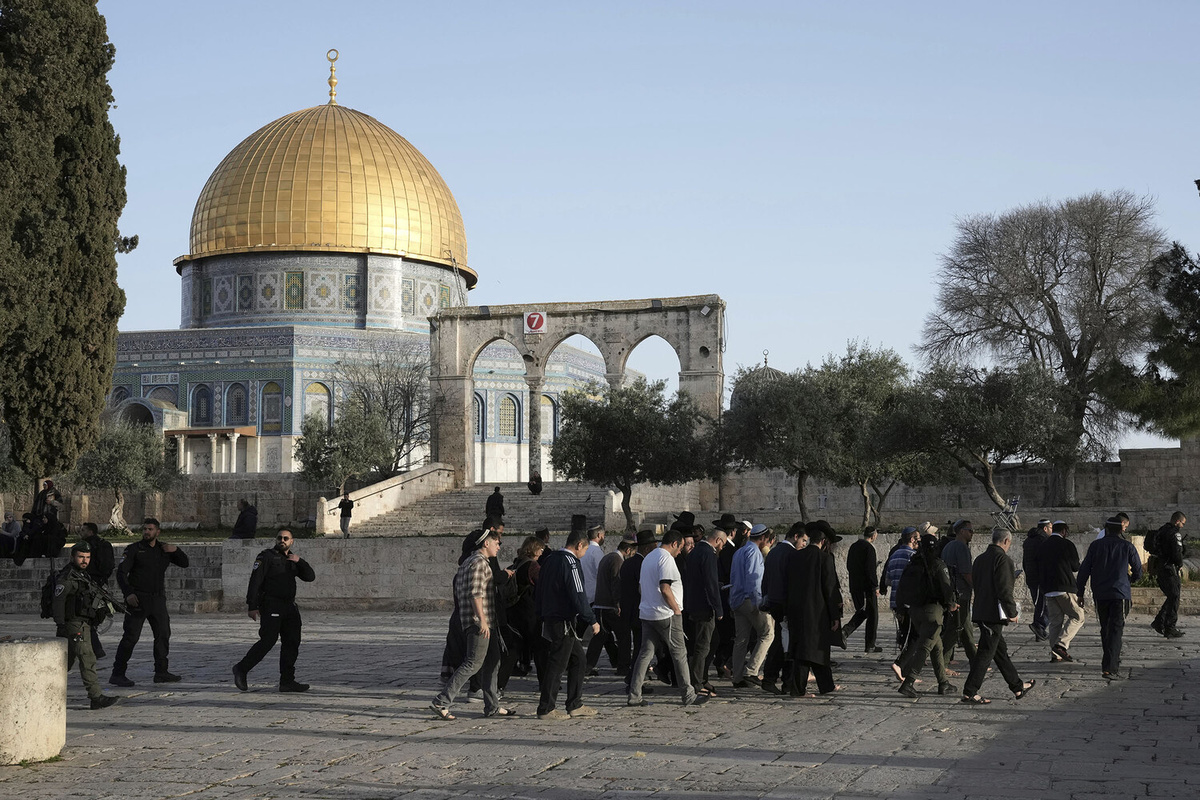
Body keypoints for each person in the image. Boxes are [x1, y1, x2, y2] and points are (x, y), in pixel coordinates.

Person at [432, 529, 512, 720]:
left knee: (493, 661)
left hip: (486, 623)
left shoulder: (470, 562)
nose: (498, 547)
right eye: (496, 543)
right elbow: (475, 594)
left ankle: (492, 705)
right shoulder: (478, 563)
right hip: (479, 623)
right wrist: (482, 620)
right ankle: (442, 701)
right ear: (486, 543)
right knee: (472, 663)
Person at [628, 529, 706, 708]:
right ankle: (688, 695)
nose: (680, 552)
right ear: (674, 543)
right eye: (680, 547)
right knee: (679, 653)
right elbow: (665, 588)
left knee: (645, 654)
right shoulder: (666, 559)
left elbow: (641, 587)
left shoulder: (648, 558)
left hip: (647, 613)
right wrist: (676, 609)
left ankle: (634, 695)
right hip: (666, 614)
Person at [232, 529, 316, 692]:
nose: (282, 540)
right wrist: (252, 606)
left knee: (292, 642)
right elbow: (255, 581)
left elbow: (310, 577)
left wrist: (300, 561)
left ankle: (287, 681)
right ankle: (241, 668)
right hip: (271, 605)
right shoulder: (266, 557)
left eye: (286, 538)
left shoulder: (293, 559)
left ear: (291, 541)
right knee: (268, 640)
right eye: (279, 538)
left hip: (289, 607)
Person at [110, 518, 189, 687]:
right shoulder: (134, 549)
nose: (147, 532)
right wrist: (128, 593)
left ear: (157, 532)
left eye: (150, 529)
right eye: (145, 529)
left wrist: (176, 550)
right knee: (131, 637)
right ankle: (118, 673)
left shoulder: (164, 549)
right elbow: (121, 573)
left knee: (163, 634)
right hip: (138, 599)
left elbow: (185, 563)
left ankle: (161, 672)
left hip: (157, 599)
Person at [961, 528, 1036, 704]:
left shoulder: (980, 559)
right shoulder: (1003, 559)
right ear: (1006, 541)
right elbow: (1004, 589)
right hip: (992, 614)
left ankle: (1017, 686)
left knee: (999, 651)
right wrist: (1012, 612)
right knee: (985, 653)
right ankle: (970, 691)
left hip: (981, 610)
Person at [534, 528, 598, 720]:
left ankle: (575, 703)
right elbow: (578, 593)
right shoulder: (570, 562)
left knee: (579, 659)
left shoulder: (550, 559)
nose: (584, 553)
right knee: (558, 663)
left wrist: (541, 613)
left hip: (551, 616)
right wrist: (591, 619)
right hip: (562, 619)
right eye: (585, 549)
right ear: (579, 545)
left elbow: (540, 588)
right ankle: (546, 708)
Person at [53, 541, 120, 709]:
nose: (84, 560)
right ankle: (96, 697)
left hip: (83, 623)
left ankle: (43, 689)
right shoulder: (67, 577)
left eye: (87, 557)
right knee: (87, 658)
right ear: (72, 557)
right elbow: (58, 601)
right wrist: (61, 624)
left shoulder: (83, 575)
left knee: (65, 662)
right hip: (74, 624)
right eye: (81, 557)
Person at [1077, 516, 1144, 680]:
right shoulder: (1127, 546)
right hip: (1120, 594)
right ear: (1121, 529)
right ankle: (1110, 667)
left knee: (1105, 628)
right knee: (1115, 629)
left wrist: (1080, 592)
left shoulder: (1095, 546)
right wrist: (1129, 580)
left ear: (1106, 529)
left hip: (1101, 594)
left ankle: (1110, 660)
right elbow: (1138, 571)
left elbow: (1084, 570)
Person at [782, 521, 843, 697]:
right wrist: (835, 616)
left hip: (796, 610)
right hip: (817, 613)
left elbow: (787, 584)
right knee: (811, 650)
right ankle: (798, 689)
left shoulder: (795, 556)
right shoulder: (825, 559)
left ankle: (826, 685)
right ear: (823, 541)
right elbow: (829, 589)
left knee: (811, 648)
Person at [895, 533, 957, 698]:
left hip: (915, 611)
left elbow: (901, 587)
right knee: (925, 647)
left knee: (937, 647)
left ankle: (943, 683)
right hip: (933, 611)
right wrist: (951, 604)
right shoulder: (938, 564)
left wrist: (900, 609)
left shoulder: (912, 564)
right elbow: (946, 587)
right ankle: (908, 683)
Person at [761, 522, 804, 694]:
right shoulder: (792, 554)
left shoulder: (773, 552)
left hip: (774, 602)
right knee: (785, 643)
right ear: (796, 537)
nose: (804, 544)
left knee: (782, 640)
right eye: (803, 540)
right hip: (786, 604)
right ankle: (775, 679)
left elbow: (765, 579)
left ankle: (784, 680)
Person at [683, 525, 726, 698]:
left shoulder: (695, 551)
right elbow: (710, 583)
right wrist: (718, 608)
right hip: (704, 606)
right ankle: (697, 682)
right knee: (703, 644)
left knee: (711, 641)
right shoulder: (708, 554)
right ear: (718, 540)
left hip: (693, 603)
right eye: (723, 544)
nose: (722, 547)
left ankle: (701, 677)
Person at [729, 523, 773, 688]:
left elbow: (733, 578)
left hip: (737, 599)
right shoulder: (754, 553)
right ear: (763, 538)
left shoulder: (739, 552)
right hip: (749, 600)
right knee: (767, 634)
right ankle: (751, 671)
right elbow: (754, 580)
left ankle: (737, 677)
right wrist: (758, 604)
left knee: (741, 639)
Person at [587, 533, 634, 675]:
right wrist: (618, 603)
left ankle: (587, 667)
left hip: (600, 605)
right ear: (628, 550)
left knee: (600, 637)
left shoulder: (607, 557)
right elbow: (616, 583)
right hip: (610, 606)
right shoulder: (617, 560)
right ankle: (623, 667)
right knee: (624, 636)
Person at [1040, 520, 1085, 661]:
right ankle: (1061, 645)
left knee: (1055, 622)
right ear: (1064, 531)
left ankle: (1055, 655)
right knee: (1078, 616)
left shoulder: (1043, 545)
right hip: (1064, 587)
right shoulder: (1067, 544)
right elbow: (1075, 567)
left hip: (1048, 589)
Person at [620, 530, 657, 691]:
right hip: (639, 611)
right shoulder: (643, 564)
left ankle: (633, 678)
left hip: (628, 610)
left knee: (639, 647)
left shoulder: (627, 563)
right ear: (647, 548)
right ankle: (633, 680)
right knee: (641, 649)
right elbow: (643, 589)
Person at [939, 520, 978, 668]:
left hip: (952, 592)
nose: (972, 533)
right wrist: (977, 588)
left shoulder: (948, 546)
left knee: (962, 628)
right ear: (961, 531)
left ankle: (975, 661)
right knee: (956, 628)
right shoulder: (961, 547)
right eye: (970, 530)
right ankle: (942, 663)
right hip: (960, 593)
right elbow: (966, 573)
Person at [843, 526, 882, 653]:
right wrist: (875, 586)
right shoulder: (869, 548)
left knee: (863, 612)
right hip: (867, 588)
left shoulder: (854, 546)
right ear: (873, 535)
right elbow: (870, 570)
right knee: (872, 615)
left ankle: (846, 632)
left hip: (855, 585)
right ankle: (868, 643)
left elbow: (849, 566)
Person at [80, 522, 116, 659]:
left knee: (86, 618)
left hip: (89, 586)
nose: (81, 532)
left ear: (90, 532)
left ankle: (95, 649)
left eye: (83, 530)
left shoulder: (86, 546)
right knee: (91, 617)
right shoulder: (103, 544)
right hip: (98, 585)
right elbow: (109, 566)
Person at [884, 527, 920, 662]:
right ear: (912, 539)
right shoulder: (913, 556)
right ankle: (905, 662)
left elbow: (888, 580)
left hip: (895, 601)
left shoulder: (894, 555)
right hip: (909, 601)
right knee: (913, 633)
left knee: (904, 631)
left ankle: (905, 659)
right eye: (917, 539)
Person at [1151, 511, 1187, 638]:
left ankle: (1159, 622)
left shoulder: (1162, 530)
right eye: (1182, 523)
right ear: (1177, 521)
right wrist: (1180, 563)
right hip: (1170, 569)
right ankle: (1169, 626)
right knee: (1175, 596)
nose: (1182, 526)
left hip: (1160, 567)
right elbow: (1177, 553)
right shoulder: (1174, 533)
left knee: (1172, 596)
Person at [1022, 519, 1052, 641]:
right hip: (1040, 578)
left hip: (1031, 577)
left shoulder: (1028, 541)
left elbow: (1025, 561)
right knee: (1044, 605)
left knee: (1039, 604)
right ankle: (1039, 625)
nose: (1052, 530)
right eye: (1050, 528)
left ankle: (1040, 632)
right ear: (1045, 528)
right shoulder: (1042, 541)